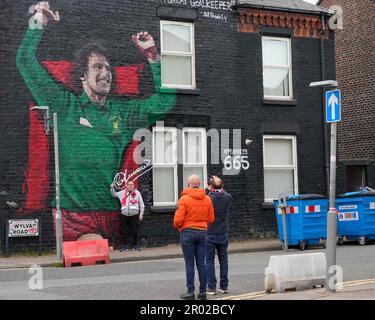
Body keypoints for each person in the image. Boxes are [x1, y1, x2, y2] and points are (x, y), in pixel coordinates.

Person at [16, 2, 176, 239]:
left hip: (111, 213)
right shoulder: (64, 105)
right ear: (82, 75)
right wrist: (39, 21)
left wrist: (153, 56)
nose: (106, 73)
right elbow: (25, 61)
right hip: (73, 216)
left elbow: (165, 102)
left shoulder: (124, 112)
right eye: (98, 67)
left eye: (108, 68)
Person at [174, 175, 215, 300]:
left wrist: (180, 226)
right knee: (201, 263)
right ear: (199, 184)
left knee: (189, 264)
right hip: (202, 232)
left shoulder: (184, 199)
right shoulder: (207, 199)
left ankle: (190, 292)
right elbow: (211, 218)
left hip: (187, 233)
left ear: (188, 184)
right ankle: (202, 292)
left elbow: (177, 221)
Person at [206, 176, 233, 295]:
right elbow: (224, 192)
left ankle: (211, 287)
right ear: (222, 186)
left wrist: (208, 189)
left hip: (210, 232)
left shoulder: (208, 198)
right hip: (223, 232)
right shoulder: (228, 197)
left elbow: (203, 195)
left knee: (209, 261)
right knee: (223, 261)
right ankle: (224, 287)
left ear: (211, 186)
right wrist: (218, 184)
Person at [111, 180, 144, 251]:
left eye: (132, 185)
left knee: (135, 231)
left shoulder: (137, 193)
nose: (131, 186)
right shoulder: (122, 193)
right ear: (126, 185)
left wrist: (141, 214)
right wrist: (112, 188)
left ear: (133, 186)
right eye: (129, 184)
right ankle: (124, 246)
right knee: (124, 231)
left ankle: (135, 245)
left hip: (135, 215)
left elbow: (141, 204)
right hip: (124, 215)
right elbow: (113, 194)